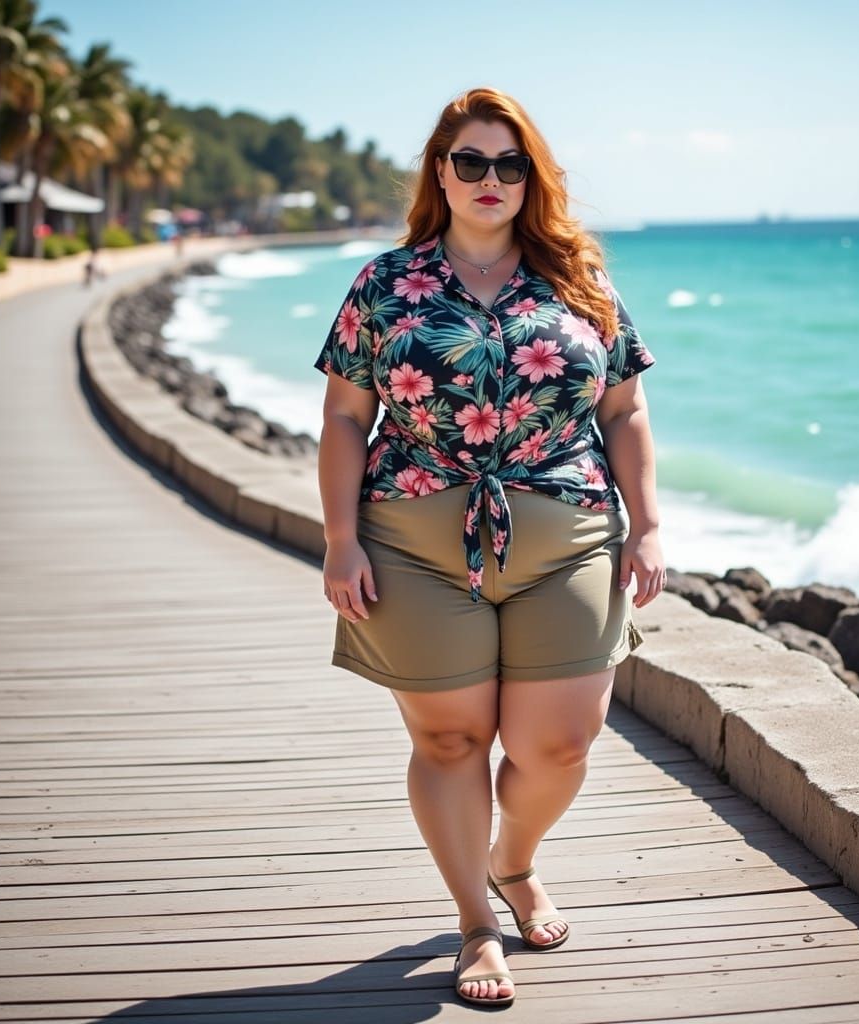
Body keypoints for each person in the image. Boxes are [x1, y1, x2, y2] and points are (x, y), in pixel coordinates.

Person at [315, 87, 665, 1008]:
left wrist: (652, 525)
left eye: (511, 165)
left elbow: (624, 407)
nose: (489, 179)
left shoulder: (580, 279)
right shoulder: (385, 285)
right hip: (414, 542)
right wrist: (342, 539)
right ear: (441, 170)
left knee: (560, 743)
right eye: (470, 161)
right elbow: (346, 419)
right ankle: (476, 921)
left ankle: (515, 860)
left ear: (531, 180)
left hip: (571, 533)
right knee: (453, 736)